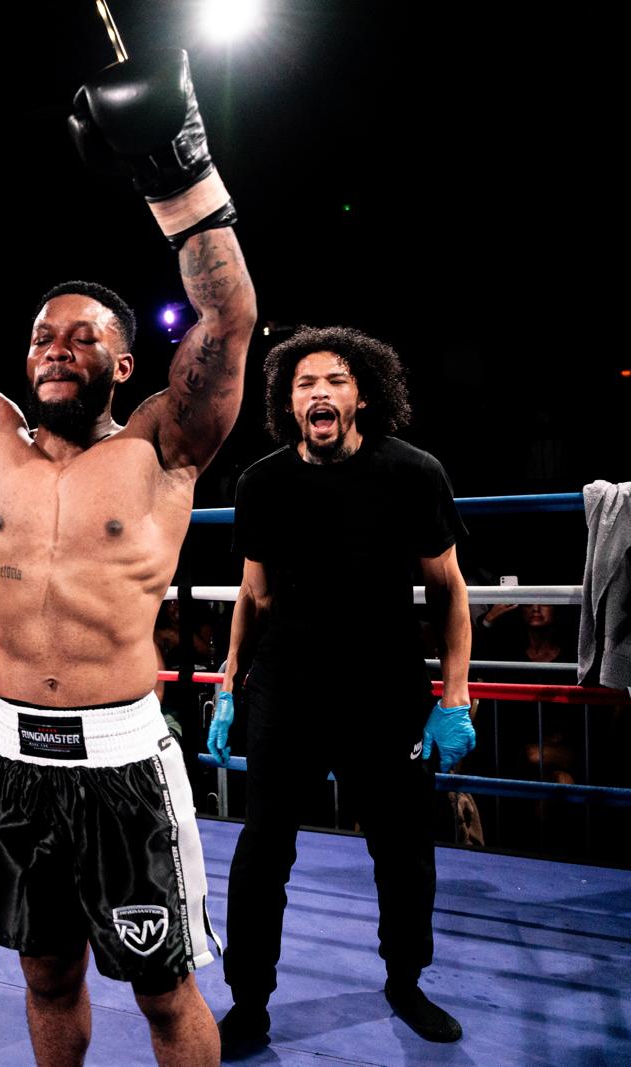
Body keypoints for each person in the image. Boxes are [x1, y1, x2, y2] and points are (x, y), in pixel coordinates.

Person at [0, 53, 255, 1066]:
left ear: (125, 362)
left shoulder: (163, 444)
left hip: (124, 758)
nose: (54, 346)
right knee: (44, 972)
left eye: (82, 335)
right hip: (12, 756)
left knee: (164, 988)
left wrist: (181, 182)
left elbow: (228, 322)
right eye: (42, 334)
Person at [208, 325, 476, 1055]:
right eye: (304, 383)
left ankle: (405, 982)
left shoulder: (412, 471)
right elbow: (254, 594)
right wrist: (230, 679)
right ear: (288, 403)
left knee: (403, 849)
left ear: (362, 394)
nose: (319, 392)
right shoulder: (262, 481)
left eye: (333, 380)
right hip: (287, 688)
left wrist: (454, 696)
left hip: (385, 689)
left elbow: (449, 589)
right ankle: (250, 1001)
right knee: (263, 850)